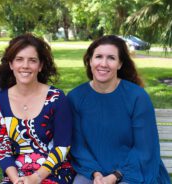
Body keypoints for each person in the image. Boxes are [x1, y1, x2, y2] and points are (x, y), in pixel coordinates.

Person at [67, 35, 170, 184]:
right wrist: (96, 174)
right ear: (90, 61)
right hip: (91, 172)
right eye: (98, 57)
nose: (103, 63)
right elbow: (78, 145)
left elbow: (144, 148)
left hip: (136, 171)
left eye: (111, 58)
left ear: (120, 63)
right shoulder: (76, 97)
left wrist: (115, 176)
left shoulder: (137, 97)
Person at [0, 33, 75, 184]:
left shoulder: (56, 98)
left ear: (40, 65)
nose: (25, 66)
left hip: (53, 172)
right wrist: (16, 179)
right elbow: (2, 148)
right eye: (19, 59)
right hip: (16, 175)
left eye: (32, 60)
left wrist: (35, 178)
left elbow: (62, 146)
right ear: (11, 64)